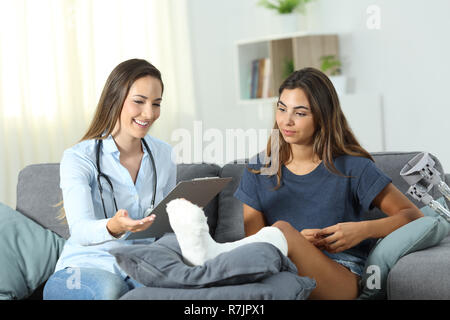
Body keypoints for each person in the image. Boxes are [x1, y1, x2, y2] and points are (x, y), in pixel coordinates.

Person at [164, 67, 424, 300]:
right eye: (281, 108)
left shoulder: (353, 167)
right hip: (281, 270)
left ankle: (209, 257)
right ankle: (206, 266)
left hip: (343, 275)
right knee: (271, 249)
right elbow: (256, 245)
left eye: (299, 113)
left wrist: (361, 230)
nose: (286, 121)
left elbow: (414, 216)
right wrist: (297, 243)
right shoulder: (259, 169)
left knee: (281, 230)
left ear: (322, 117)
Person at [43, 58, 177, 300]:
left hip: (138, 265)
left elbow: (166, 226)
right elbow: (81, 230)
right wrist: (113, 227)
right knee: (110, 290)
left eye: (156, 104)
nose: (149, 113)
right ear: (114, 99)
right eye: (139, 101)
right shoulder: (78, 158)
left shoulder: (164, 154)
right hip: (82, 270)